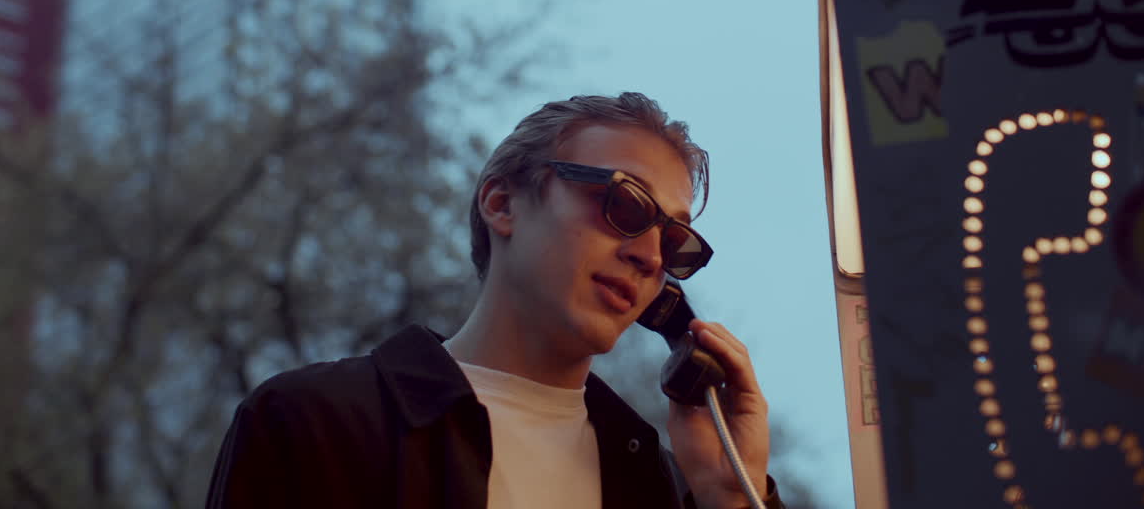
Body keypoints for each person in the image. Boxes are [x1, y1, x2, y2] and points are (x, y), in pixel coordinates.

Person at [206, 92, 786, 508]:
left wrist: (731, 496)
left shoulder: (646, 477)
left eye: (674, 239)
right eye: (626, 206)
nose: (652, 257)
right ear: (503, 204)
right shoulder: (314, 422)